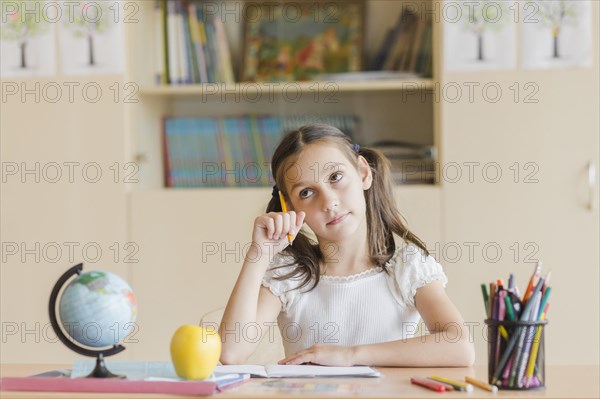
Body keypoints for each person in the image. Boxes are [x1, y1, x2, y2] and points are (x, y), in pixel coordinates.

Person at [219, 124, 475, 367]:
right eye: (306, 192)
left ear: (363, 172)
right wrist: (259, 254)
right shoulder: (290, 274)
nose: (329, 202)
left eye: (336, 177)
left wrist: (350, 355)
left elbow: (459, 346)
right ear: (290, 207)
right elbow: (231, 352)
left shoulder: (406, 267)